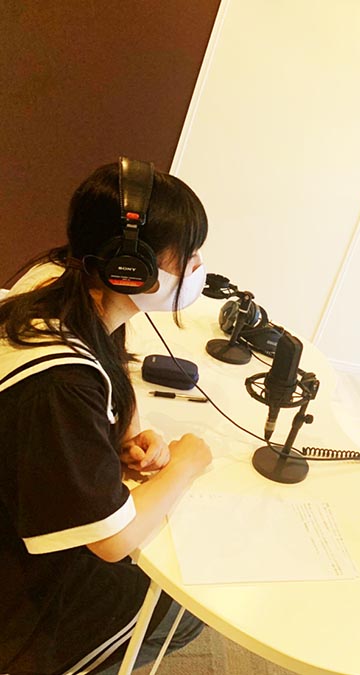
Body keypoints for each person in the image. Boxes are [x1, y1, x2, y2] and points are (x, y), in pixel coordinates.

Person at [0, 158, 214, 674]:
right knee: (185, 601)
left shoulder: (60, 281)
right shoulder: (61, 383)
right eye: (187, 254)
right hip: (18, 582)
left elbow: (111, 370)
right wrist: (187, 461)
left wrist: (124, 435)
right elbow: (111, 541)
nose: (197, 265)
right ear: (131, 267)